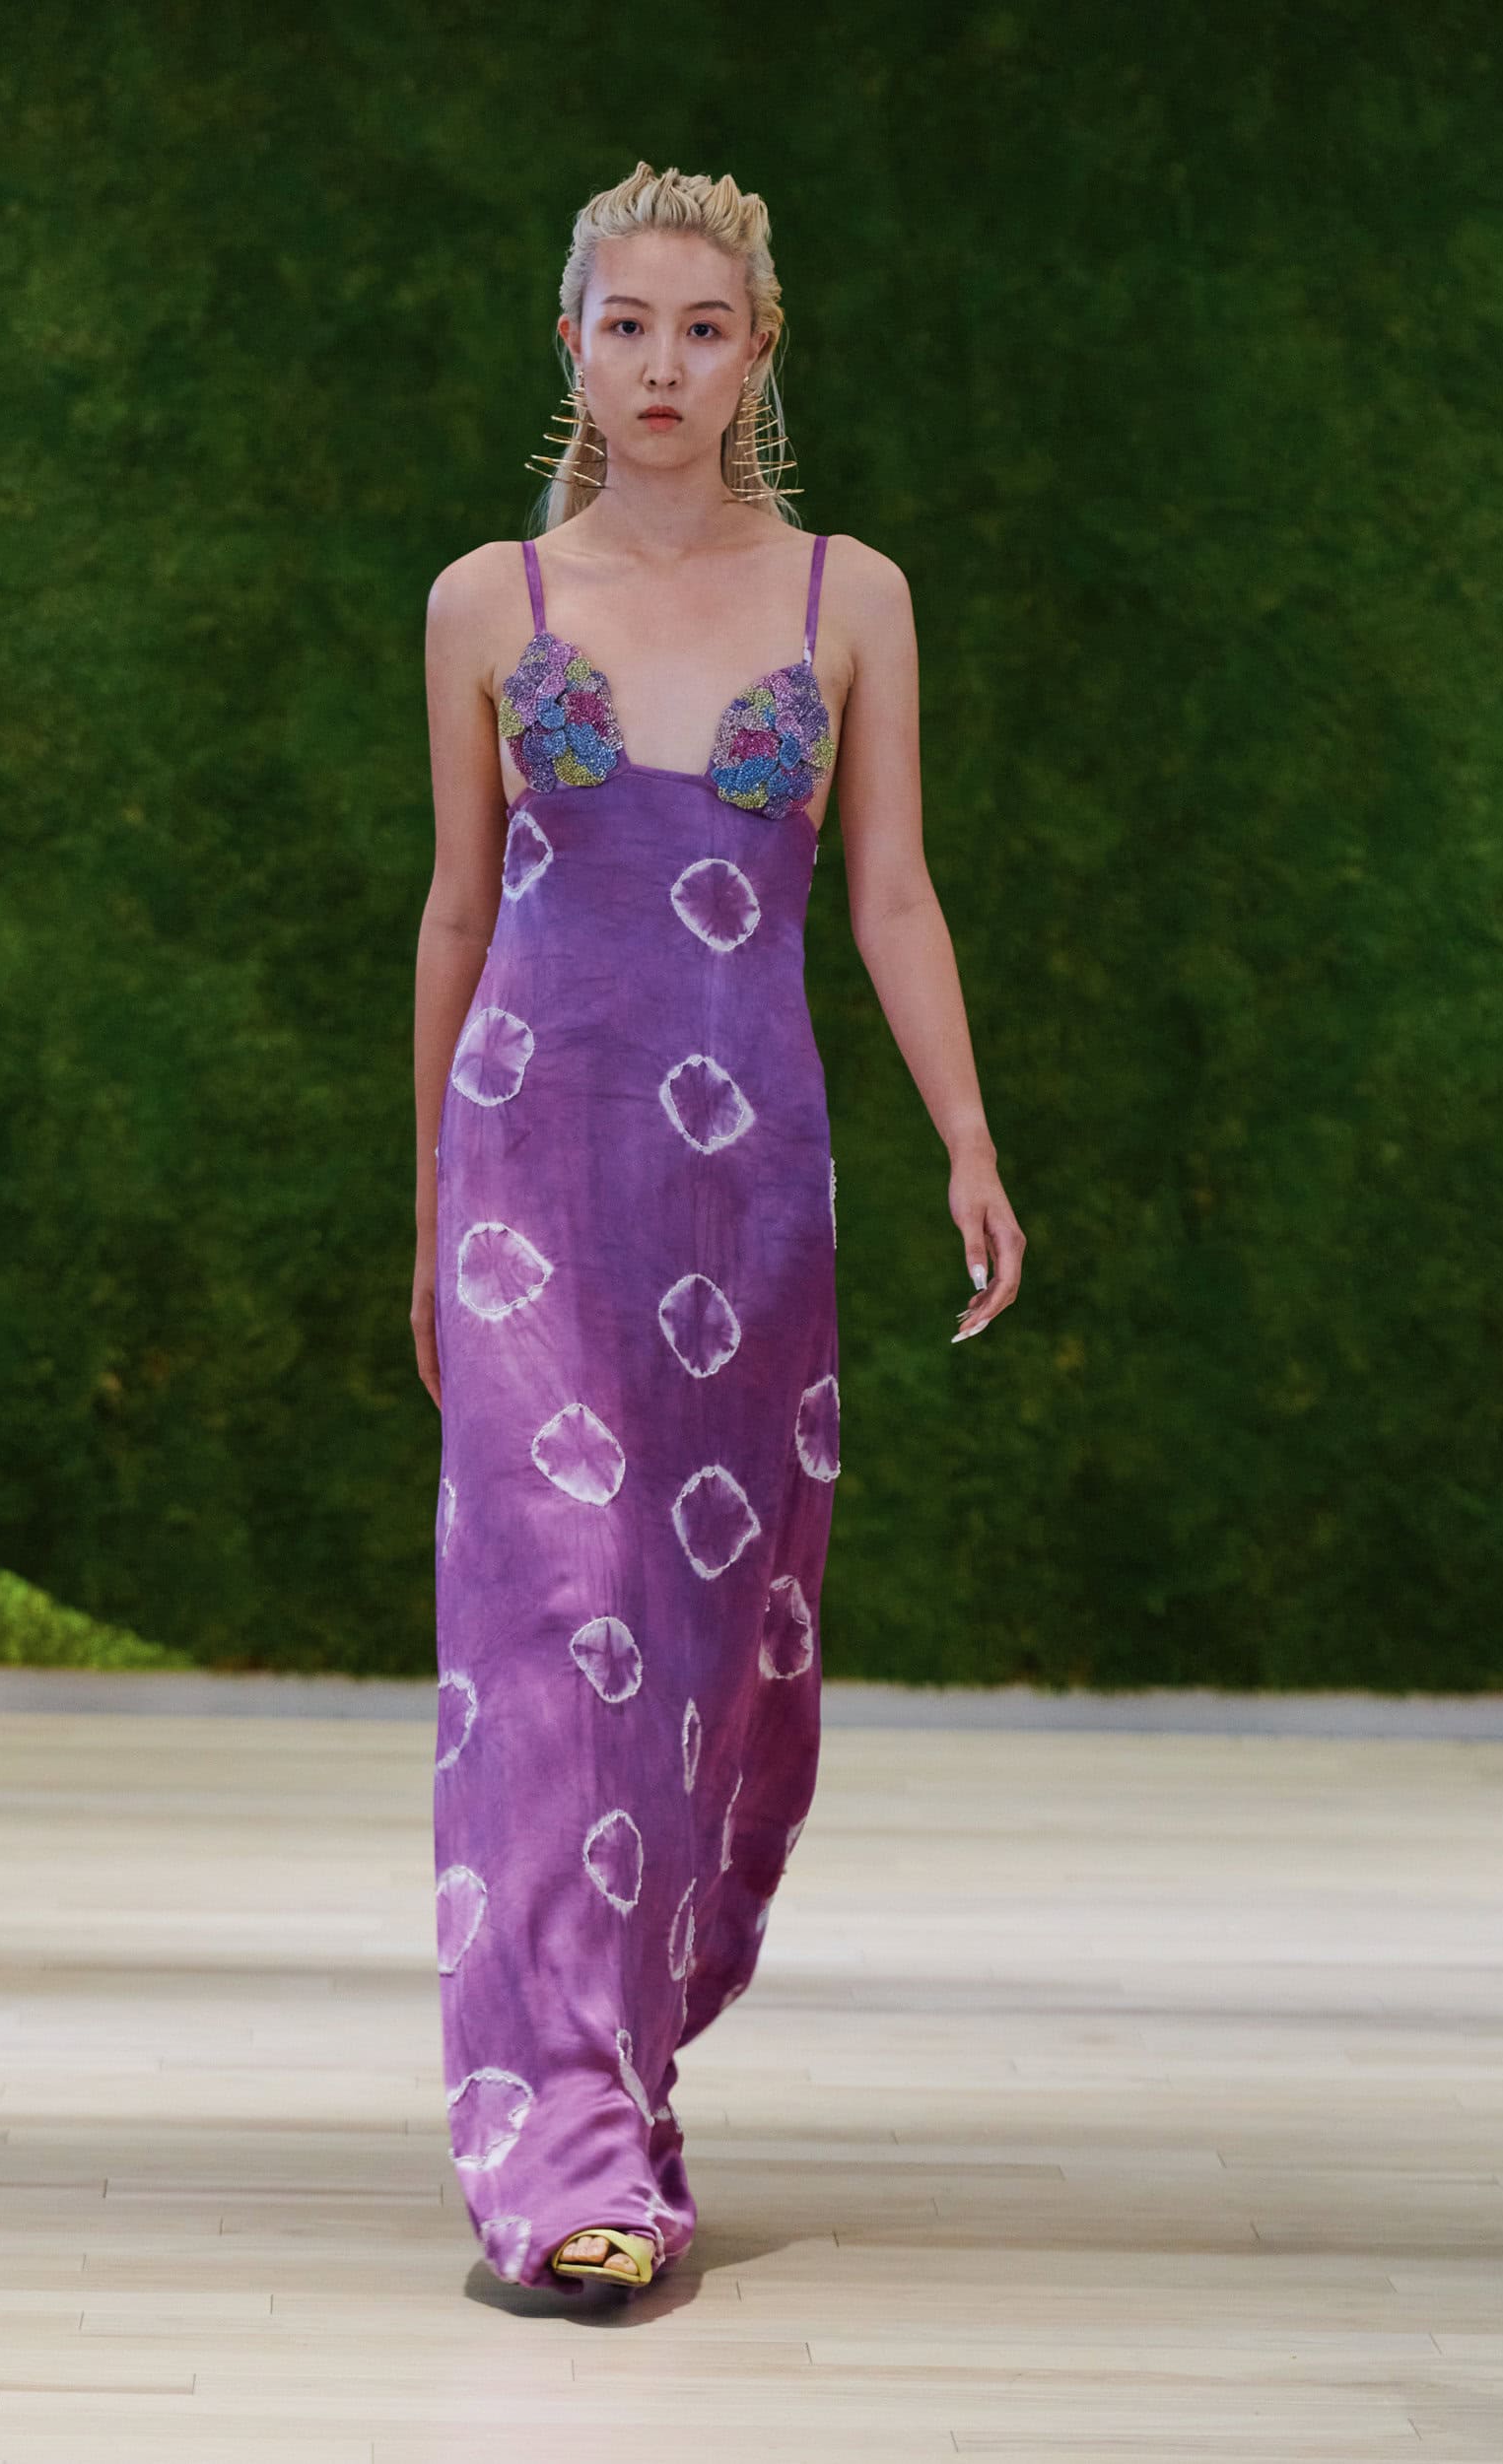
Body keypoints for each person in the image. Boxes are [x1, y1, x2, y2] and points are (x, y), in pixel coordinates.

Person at [410, 160, 1024, 2297]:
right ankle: (559, 2149)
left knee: (703, 1644)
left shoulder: (853, 598)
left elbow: (893, 895)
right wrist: (426, 1202)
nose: (660, 363)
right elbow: (459, 912)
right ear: (567, 342)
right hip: (524, 1182)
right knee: (551, 1626)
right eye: (625, 323)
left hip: (747, 1188)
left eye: (702, 326)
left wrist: (967, 1138)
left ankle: (629, 2065)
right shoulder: (485, 601)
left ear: (761, 350)